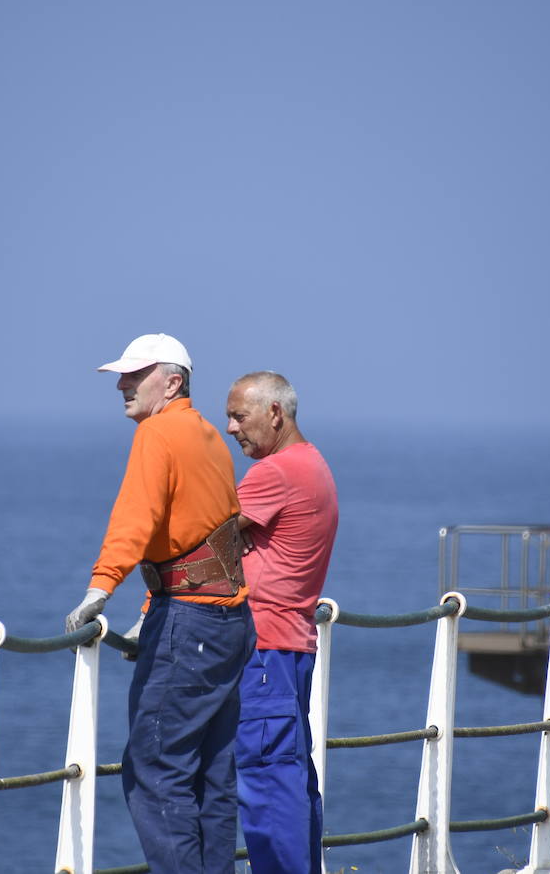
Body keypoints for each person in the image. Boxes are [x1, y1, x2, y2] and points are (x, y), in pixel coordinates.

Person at [65, 333, 256, 874]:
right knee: (213, 775)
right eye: (122, 375)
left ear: (172, 382)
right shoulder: (208, 437)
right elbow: (208, 532)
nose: (122, 384)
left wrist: (101, 587)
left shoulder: (157, 434)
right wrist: (151, 607)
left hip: (190, 623)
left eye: (135, 374)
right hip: (230, 619)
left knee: (154, 767)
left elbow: (137, 517)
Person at [225, 371, 339, 874]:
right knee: (290, 777)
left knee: (266, 779)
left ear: (275, 413)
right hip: (292, 645)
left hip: (264, 647)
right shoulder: (314, 464)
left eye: (239, 416)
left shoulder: (274, 473)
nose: (230, 428)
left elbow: (206, 540)